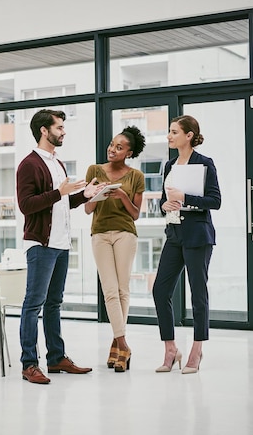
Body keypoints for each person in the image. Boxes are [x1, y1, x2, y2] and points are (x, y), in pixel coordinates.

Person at [16, 109, 106, 384]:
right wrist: (60, 192)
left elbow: (60, 202)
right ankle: (29, 364)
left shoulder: (57, 163)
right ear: (44, 130)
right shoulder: (29, 164)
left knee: (54, 304)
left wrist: (84, 196)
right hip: (41, 245)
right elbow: (26, 205)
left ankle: (56, 358)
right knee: (34, 305)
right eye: (59, 127)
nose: (64, 131)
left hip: (61, 244)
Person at [152, 115, 221, 374]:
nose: (169, 136)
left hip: (198, 236)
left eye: (173, 132)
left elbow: (215, 201)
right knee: (160, 290)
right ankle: (171, 349)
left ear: (189, 135)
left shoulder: (205, 163)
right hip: (174, 234)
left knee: (198, 293)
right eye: (169, 132)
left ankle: (197, 348)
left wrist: (186, 197)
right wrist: (164, 205)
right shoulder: (170, 164)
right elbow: (162, 202)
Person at [84, 126, 146, 372]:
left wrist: (121, 195)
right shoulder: (95, 170)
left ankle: (116, 345)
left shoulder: (136, 176)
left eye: (119, 147)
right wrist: (96, 195)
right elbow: (88, 209)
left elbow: (136, 214)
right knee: (109, 290)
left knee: (122, 290)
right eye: (112, 145)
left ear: (128, 152)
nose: (112, 149)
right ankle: (123, 344)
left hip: (124, 233)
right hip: (99, 233)